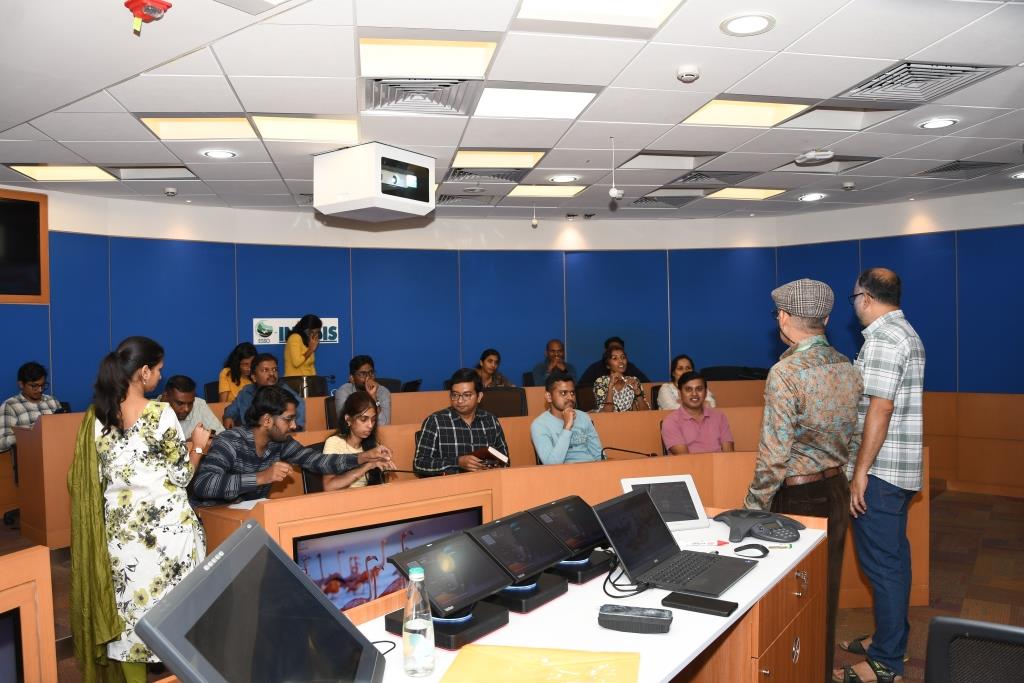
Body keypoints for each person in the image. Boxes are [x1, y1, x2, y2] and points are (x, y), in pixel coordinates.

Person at [69, 336, 208, 683]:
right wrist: (198, 447)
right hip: (168, 534)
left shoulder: (97, 418)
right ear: (143, 372)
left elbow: (98, 477)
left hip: (121, 535)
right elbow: (181, 476)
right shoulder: (160, 413)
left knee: (130, 618)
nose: (160, 376)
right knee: (181, 616)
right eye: (158, 370)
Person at [742, 279, 861, 683]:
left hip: (798, 499)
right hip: (836, 490)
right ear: (825, 319)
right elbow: (856, 435)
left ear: (784, 317)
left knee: (790, 603)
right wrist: (845, 478)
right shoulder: (846, 365)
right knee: (825, 597)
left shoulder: (785, 373)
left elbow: (773, 457)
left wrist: (751, 511)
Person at [836, 268, 925, 683]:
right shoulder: (905, 332)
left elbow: (880, 407)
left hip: (881, 473)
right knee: (894, 561)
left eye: (854, 297)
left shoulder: (885, 339)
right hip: (896, 470)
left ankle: (886, 663)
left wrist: (861, 472)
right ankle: (890, 640)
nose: (854, 304)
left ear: (867, 298)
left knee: (883, 567)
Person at [190, 385, 391, 506]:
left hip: (250, 519)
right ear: (267, 420)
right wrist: (261, 477)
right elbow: (203, 484)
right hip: (214, 518)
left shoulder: (281, 443)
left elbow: (319, 462)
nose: (294, 426)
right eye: (288, 419)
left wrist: (363, 457)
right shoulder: (230, 441)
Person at [413, 368, 509, 476]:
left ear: (479, 397)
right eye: (455, 395)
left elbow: (505, 460)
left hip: (486, 481)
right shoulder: (435, 422)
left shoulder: (491, 421)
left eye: (466, 395)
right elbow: (419, 464)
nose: (459, 400)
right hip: (450, 485)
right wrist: (457, 462)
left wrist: (492, 465)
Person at [322, 390, 396, 490]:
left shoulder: (373, 445)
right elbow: (329, 486)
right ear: (348, 419)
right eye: (363, 419)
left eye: (373, 420)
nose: (370, 425)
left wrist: (384, 469)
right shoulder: (334, 443)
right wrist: (367, 466)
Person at [530, 372, 603, 464]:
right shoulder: (539, 425)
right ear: (549, 397)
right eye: (563, 393)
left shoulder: (583, 417)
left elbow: (599, 455)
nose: (570, 398)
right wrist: (567, 427)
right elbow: (551, 464)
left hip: (591, 468)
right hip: (564, 471)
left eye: (572, 393)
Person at [222, 354, 305, 430]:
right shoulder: (246, 392)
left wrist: (295, 428)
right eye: (265, 370)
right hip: (250, 436)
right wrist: (228, 417)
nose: (272, 373)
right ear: (254, 377)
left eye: (275, 369)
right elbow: (232, 409)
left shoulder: (284, 391)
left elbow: (300, 406)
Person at [661, 372, 734, 454]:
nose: (694, 394)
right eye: (688, 390)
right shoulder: (671, 422)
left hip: (721, 462)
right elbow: (684, 458)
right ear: (679, 394)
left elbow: (729, 454)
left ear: (706, 393)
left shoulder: (720, 417)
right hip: (690, 462)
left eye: (699, 389)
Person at [1, 361, 62, 452]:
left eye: (42, 385)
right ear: (21, 384)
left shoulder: (52, 401)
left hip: (55, 451)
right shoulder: (10, 406)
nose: (40, 390)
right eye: (34, 386)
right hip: (29, 455)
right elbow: (1, 443)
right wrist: (31, 431)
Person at [161, 375, 224, 440]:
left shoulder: (199, 404)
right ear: (166, 396)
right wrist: (191, 442)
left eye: (190, 403)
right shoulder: (154, 411)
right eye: (180, 403)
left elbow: (222, 435)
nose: (186, 409)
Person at [334, 355, 392, 426]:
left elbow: (384, 424)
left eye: (371, 372)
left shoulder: (383, 392)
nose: (368, 377)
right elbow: (345, 423)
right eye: (363, 374)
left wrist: (373, 398)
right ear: (352, 378)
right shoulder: (344, 392)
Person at [594, 347, 650, 412]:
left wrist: (638, 393)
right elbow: (606, 412)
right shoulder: (601, 382)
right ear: (608, 365)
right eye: (615, 358)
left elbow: (646, 413)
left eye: (623, 357)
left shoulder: (633, 380)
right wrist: (610, 386)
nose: (621, 361)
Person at [578, 337, 650, 386]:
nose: (620, 361)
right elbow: (581, 387)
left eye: (619, 349)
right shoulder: (595, 368)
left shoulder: (630, 367)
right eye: (615, 358)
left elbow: (647, 384)